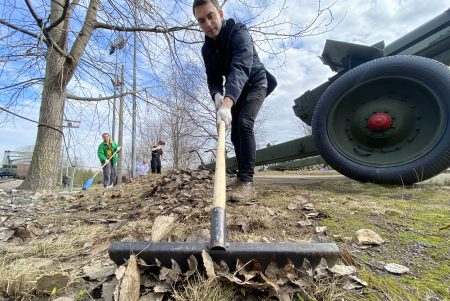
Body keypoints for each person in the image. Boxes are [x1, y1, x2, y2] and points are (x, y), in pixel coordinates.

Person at [193, 0, 277, 202]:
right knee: (234, 136)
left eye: (210, 16)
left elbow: (240, 69)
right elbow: (213, 77)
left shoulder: (239, 32)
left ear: (220, 14)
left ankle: (247, 183)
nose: (208, 24)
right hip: (236, 92)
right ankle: (240, 178)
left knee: (244, 123)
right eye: (201, 20)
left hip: (255, 83)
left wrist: (228, 104)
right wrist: (216, 96)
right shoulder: (207, 49)